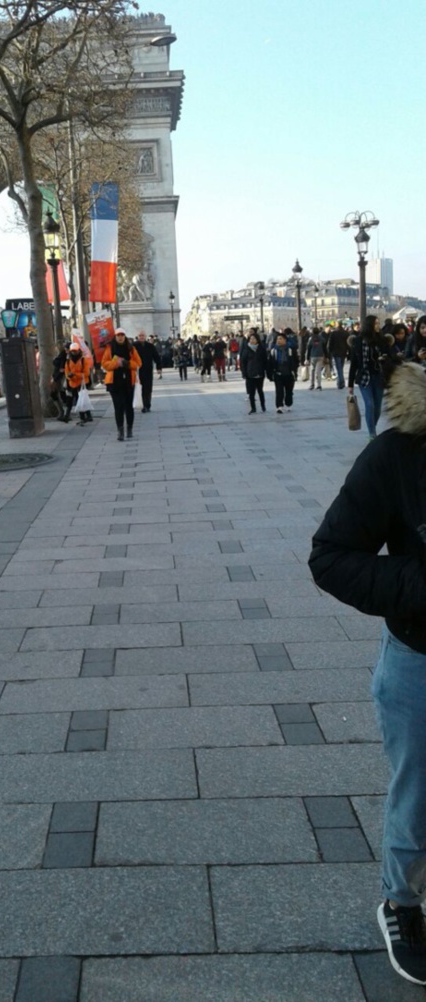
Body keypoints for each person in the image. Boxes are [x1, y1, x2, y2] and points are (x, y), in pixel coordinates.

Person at [309, 357, 426, 988]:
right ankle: (402, 904)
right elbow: (329, 555)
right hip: (420, 656)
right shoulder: (398, 455)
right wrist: (416, 583)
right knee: (420, 796)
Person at [348, 315, 395, 439]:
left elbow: (390, 357)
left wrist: (385, 358)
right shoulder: (358, 341)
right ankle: (372, 434)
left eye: (378, 323)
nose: (378, 326)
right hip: (364, 378)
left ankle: (371, 426)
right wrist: (350, 384)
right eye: (376, 324)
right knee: (370, 404)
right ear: (369, 325)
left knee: (377, 408)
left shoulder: (382, 340)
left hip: (378, 377)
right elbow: (354, 363)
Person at [101, 328, 142, 441]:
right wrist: (116, 363)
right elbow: (104, 364)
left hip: (129, 381)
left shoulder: (131, 348)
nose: (120, 337)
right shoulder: (109, 349)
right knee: (118, 407)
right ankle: (120, 431)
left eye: (122, 335)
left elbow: (139, 364)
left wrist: (128, 363)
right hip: (114, 382)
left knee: (129, 407)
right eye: (118, 335)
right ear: (115, 336)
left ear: (125, 336)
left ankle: (129, 428)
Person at [267, 332, 299, 413]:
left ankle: (288, 404)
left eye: (280, 339)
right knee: (279, 391)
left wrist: (294, 371)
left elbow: (296, 361)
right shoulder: (273, 350)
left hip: (288, 373)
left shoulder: (290, 350)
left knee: (289, 391)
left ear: (285, 340)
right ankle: (279, 406)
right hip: (278, 373)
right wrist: (270, 374)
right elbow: (270, 363)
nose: (278, 340)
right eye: (277, 339)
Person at [64, 342, 92, 425]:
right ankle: (87, 416)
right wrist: (70, 376)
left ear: (78, 350)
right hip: (73, 384)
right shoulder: (68, 362)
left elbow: (86, 373)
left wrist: (75, 375)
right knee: (79, 400)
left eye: (75, 351)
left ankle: (84, 417)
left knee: (82, 400)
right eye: (72, 351)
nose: (74, 352)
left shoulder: (83, 360)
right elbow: (66, 373)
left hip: (82, 384)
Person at [240, 330, 267, 414]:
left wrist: (266, 371)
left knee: (260, 391)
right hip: (250, 373)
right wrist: (244, 373)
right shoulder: (246, 350)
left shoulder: (261, 349)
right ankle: (253, 408)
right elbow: (243, 362)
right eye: (251, 339)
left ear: (257, 340)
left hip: (259, 373)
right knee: (252, 392)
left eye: (254, 339)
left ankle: (263, 405)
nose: (252, 340)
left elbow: (265, 361)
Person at [136, 331, 162, 410]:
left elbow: (156, 357)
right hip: (137, 371)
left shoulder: (150, 346)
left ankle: (147, 404)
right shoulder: (134, 346)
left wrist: (159, 367)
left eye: (143, 335)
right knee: (140, 388)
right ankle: (143, 405)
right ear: (138, 337)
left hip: (148, 370)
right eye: (140, 335)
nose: (141, 337)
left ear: (145, 336)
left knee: (148, 388)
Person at [327, 322, 350, 389]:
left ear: (337, 325)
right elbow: (348, 343)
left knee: (339, 368)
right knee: (341, 368)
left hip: (335, 353)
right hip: (343, 352)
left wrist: (329, 352)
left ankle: (341, 382)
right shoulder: (346, 333)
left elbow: (330, 343)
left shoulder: (333, 333)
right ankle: (339, 382)